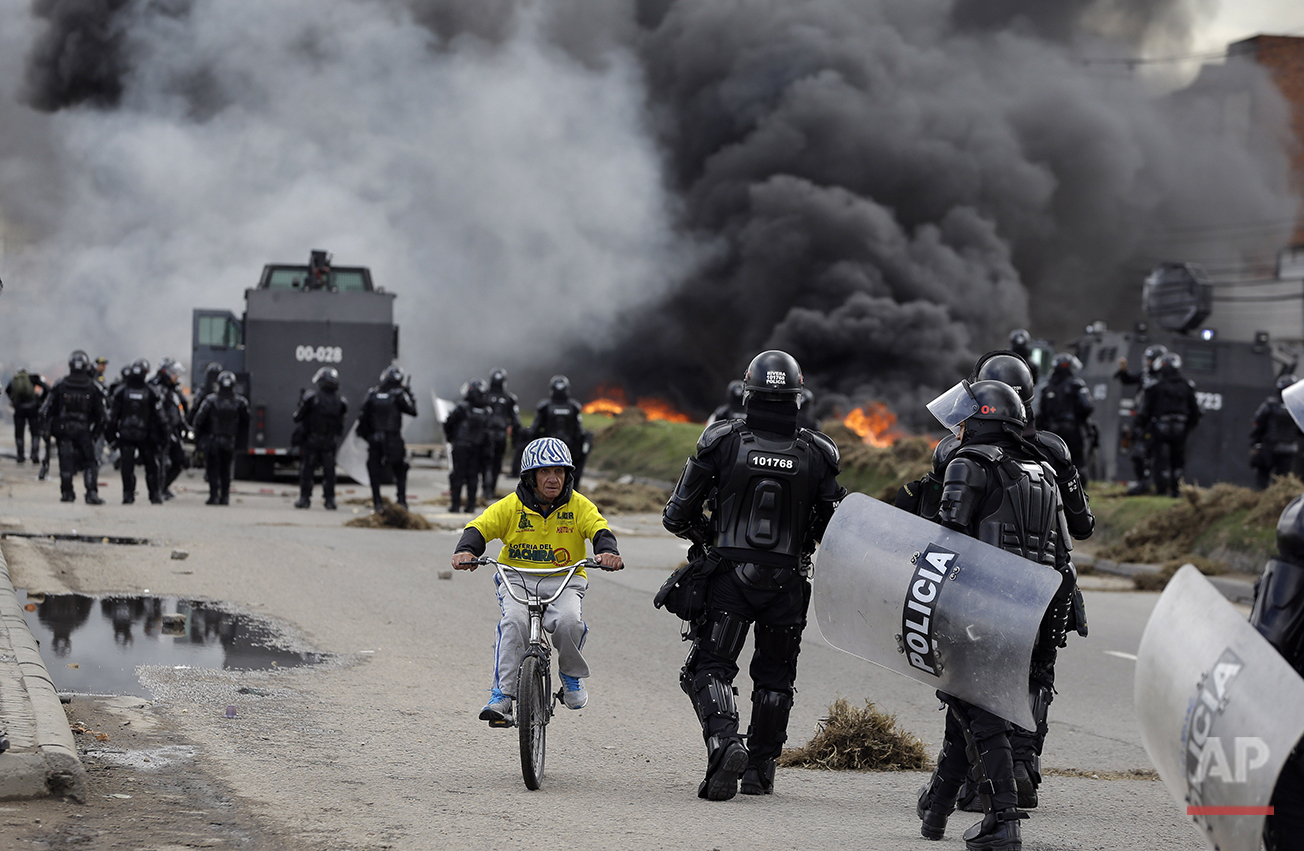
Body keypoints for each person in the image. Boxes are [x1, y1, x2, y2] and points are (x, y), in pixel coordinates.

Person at [898, 351, 1092, 810]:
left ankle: (982, 782)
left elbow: (943, 522)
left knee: (972, 679)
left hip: (988, 581)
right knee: (1035, 674)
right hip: (1052, 579)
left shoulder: (960, 452)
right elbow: (1082, 526)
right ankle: (1021, 767)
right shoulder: (1053, 452)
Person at [662, 350, 845, 801]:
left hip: (729, 578)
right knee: (776, 677)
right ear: (797, 396)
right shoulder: (820, 453)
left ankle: (725, 744)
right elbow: (832, 528)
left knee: (709, 668)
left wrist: (707, 540)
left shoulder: (720, 440)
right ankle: (761, 770)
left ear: (748, 391)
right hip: (788, 583)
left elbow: (676, 514)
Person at [451, 437, 624, 725]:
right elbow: (480, 527)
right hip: (517, 578)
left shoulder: (579, 506)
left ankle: (570, 675)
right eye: (545, 472)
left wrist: (607, 552)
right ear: (531, 477)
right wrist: (465, 550)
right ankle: (502, 696)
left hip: (564, 579)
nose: (553, 479)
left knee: (569, 621)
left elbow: (599, 529)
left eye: (559, 472)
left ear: (568, 475)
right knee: (513, 623)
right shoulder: (511, 506)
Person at [41, 351, 108, 504]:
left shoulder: (61, 384)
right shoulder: (92, 386)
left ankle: (67, 493)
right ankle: (91, 493)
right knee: (90, 462)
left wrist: (46, 431)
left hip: (64, 430)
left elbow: (45, 410)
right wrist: (94, 434)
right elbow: (102, 416)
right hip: (84, 430)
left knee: (65, 462)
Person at [1135, 352, 1201, 498]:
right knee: (1178, 460)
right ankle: (1176, 490)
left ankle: (1161, 490)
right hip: (1181, 428)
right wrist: (1188, 426)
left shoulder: (1155, 385)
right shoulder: (1187, 386)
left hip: (1160, 427)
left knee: (1160, 459)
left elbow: (1144, 410)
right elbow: (1196, 411)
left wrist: (1142, 427)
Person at [107, 359, 167, 504]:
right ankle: (154, 495)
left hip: (128, 435)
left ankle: (128, 495)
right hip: (145, 436)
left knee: (128, 467)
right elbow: (161, 418)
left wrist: (112, 439)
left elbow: (112, 418)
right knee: (151, 466)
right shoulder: (151, 392)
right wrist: (163, 439)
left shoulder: (121, 391)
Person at [358, 365, 417, 512]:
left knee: (374, 470)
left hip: (375, 438)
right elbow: (413, 411)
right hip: (393, 438)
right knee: (400, 469)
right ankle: (401, 501)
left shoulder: (372, 394)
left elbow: (363, 417)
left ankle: (377, 502)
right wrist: (409, 393)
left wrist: (368, 436)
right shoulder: (398, 395)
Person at [191, 371, 249, 505]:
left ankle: (214, 496)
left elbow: (198, 420)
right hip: (229, 441)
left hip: (214, 440)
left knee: (213, 469)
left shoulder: (211, 400)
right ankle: (225, 496)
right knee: (226, 470)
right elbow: (246, 422)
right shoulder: (240, 402)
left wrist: (199, 438)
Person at [1115, 344, 1167, 495]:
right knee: (1138, 454)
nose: (1148, 363)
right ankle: (1143, 482)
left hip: (1155, 422)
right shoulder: (1146, 375)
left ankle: (1156, 485)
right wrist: (1123, 371)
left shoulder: (1163, 378)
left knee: (1155, 456)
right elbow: (1129, 379)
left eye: (1151, 360)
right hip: (1141, 420)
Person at [293, 367, 347, 510]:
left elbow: (297, 417)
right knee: (329, 471)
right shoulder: (341, 401)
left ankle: (305, 499)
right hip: (329, 441)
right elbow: (340, 425)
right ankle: (330, 500)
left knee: (307, 470)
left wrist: (301, 403)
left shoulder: (311, 397)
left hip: (313, 440)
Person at [1036, 354, 1095, 481]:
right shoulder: (1076, 384)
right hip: (1072, 430)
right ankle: (1079, 492)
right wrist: (1080, 419)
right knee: (1077, 461)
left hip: (1051, 431)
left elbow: (1041, 413)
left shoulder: (1046, 388)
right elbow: (1088, 406)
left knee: (1051, 462)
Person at [444, 379, 492, 514]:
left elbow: (449, 423)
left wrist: (451, 437)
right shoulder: (487, 411)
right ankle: (470, 505)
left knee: (457, 476)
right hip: (477, 447)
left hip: (461, 446)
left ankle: (455, 505)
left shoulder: (462, 407)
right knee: (473, 477)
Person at [531, 375, 589, 484]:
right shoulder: (547, 406)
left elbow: (535, 430)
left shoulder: (571, 406)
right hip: (559, 449)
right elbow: (579, 430)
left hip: (554, 449)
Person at [1250, 374, 1302, 490]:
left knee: (1262, 480)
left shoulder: (1270, 405)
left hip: (1270, 448)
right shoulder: (1298, 408)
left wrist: (1255, 442)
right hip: (1288, 449)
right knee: (1282, 483)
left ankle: (1262, 502)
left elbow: (1258, 424)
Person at [149, 358, 189, 499]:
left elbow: (178, 409)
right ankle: (158, 490)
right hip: (160, 431)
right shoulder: (156, 388)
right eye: (173, 374)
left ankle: (164, 486)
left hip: (174, 429)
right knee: (161, 462)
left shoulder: (175, 389)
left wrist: (184, 425)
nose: (176, 377)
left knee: (180, 460)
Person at [482, 368, 521, 499]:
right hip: (500, 435)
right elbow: (516, 421)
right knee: (496, 463)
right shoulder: (509, 398)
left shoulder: (484, 396)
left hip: (487, 434)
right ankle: (490, 489)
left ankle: (486, 489)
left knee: (487, 463)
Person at [6, 367, 50, 465]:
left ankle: (20, 456)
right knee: (35, 433)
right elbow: (47, 388)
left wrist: (14, 401)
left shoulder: (14, 379)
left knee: (19, 433)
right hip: (33, 408)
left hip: (19, 409)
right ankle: (34, 455)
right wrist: (40, 400)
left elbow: (7, 391)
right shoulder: (32, 378)